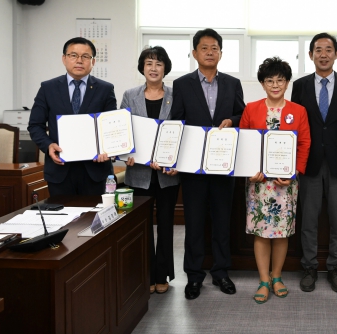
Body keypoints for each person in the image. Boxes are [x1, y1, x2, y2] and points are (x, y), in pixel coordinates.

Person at [170, 28, 246, 300]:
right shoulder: (182, 84)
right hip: (193, 168)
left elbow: (242, 114)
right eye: (205, 48)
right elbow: (175, 122)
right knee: (194, 222)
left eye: (215, 48)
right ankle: (193, 275)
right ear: (195, 53)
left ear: (221, 53)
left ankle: (221, 272)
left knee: (222, 222)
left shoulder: (232, 83)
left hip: (224, 166)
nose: (210, 52)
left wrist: (233, 121)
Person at [239, 57, 311, 304]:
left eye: (280, 80)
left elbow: (304, 143)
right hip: (259, 183)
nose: (275, 84)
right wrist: (250, 169)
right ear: (262, 83)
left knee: (281, 233)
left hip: (285, 183)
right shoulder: (251, 109)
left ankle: (277, 276)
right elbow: (245, 143)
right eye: (269, 80)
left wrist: (294, 172)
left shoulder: (298, 111)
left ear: (287, 82)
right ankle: (263, 280)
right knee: (262, 232)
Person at [291, 33, 337, 293]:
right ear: (310, 55)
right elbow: (295, 125)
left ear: (336, 54)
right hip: (309, 163)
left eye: (328, 49)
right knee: (308, 219)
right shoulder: (300, 85)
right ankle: (308, 267)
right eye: (318, 49)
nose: (323, 54)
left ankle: (335, 268)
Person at [120, 46, 180, 295]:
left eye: (158, 63)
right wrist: (126, 155)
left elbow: (181, 133)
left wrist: (176, 162)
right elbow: (122, 131)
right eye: (148, 63)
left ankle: (161, 274)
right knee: (142, 226)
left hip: (167, 174)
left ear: (165, 67)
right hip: (139, 174)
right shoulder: (130, 95)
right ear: (142, 68)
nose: (153, 68)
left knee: (166, 225)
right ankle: (144, 273)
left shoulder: (177, 96)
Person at [28, 37, 116, 196]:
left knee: (93, 219)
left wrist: (108, 149)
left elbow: (111, 127)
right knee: (62, 219)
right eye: (73, 55)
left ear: (93, 62)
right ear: (64, 59)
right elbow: (35, 125)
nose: (79, 61)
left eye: (85, 56)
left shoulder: (105, 89)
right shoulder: (48, 88)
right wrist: (48, 146)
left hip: (94, 171)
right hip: (60, 170)